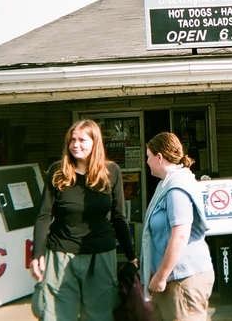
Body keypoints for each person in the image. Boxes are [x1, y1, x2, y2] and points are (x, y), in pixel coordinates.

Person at [31, 119, 138, 321]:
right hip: (61, 254)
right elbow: (44, 215)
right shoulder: (57, 171)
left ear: (95, 142)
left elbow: (118, 216)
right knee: (57, 315)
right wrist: (36, 255)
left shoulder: (111, 172)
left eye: (82, 139)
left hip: (100, 255)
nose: (75, 144)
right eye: (72, 140)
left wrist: (131, 255)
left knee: (99, 316)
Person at [142, 132, 214, 321]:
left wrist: (160, 276)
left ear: (159, 157)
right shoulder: (168, 183)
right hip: (174, 279)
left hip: (183, 279)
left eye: (148, 156)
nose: (147, 162)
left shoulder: (176, 189)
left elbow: (180, 236)